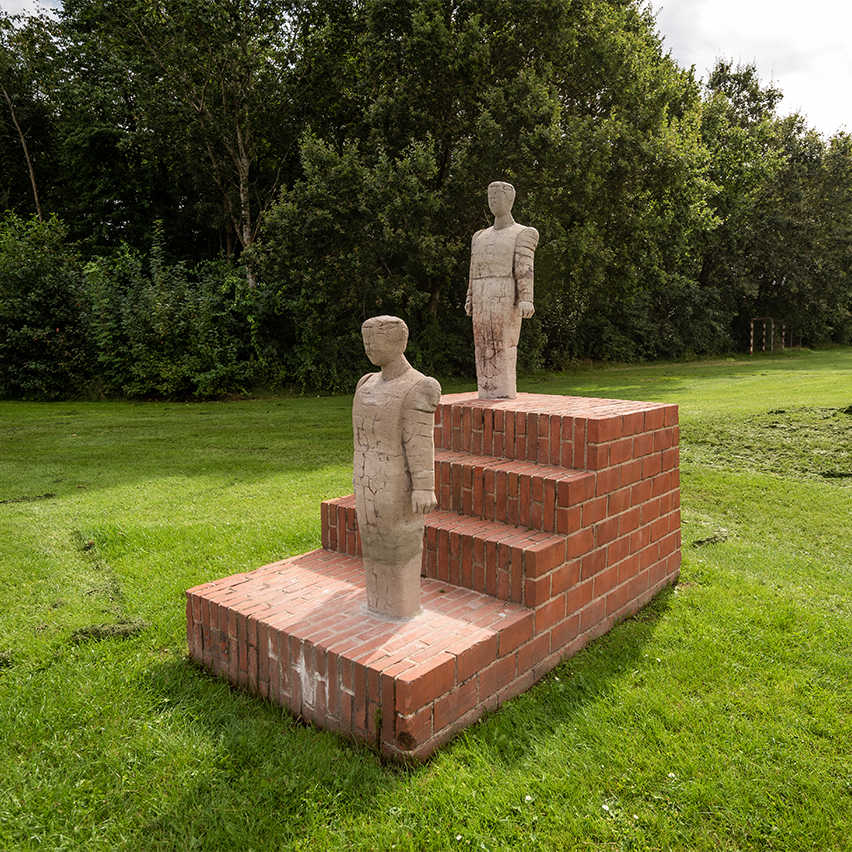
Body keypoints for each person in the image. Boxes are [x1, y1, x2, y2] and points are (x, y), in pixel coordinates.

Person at [352, 316, 441, 618]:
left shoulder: (419, 386)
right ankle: (379, 601)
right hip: (366, 478)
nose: (369, 347)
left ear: (398, 342)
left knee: (398, 541)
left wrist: (424, 487)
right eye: (366, 341)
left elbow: (419, 441)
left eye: (375, 341)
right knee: (372, 538)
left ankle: (400, 606)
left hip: (395, 482)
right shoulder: (365, 383)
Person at [465, 181, 539, 399]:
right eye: (490, 197)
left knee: (503, 342)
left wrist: (526, 297)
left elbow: (525, 268)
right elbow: (473, 269)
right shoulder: (479, 236)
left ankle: (503, 390)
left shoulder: (523, 233)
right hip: (481, 293)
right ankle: (487, 389)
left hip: (505, 294)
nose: (493, 201)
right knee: (481, 343)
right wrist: (470, 296)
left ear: (510, 200)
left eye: (497, 197)